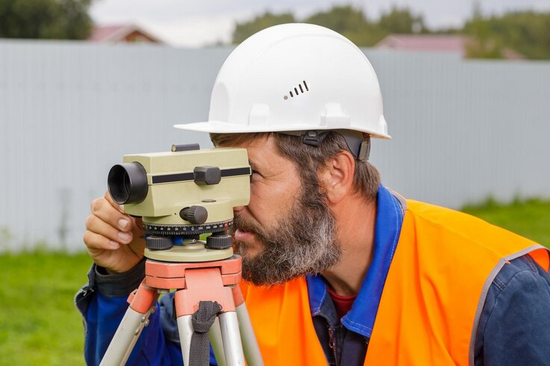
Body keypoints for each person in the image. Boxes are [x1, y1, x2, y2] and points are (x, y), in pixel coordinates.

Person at [76, 24, 550, 366]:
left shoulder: (498, 290)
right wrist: (122, 278)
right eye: (223, 173)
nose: (230, 202)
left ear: (335, 174)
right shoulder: (238, 284)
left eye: (250, 175)